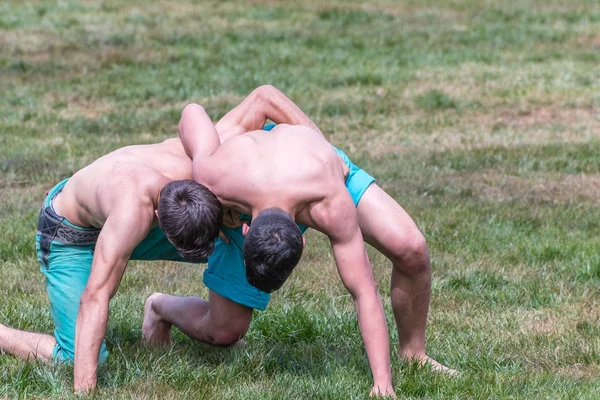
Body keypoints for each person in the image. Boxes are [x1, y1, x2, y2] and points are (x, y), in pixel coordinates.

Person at [142, 85, 455, 398]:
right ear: (246, 230)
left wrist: (382, 384)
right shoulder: (215, 175)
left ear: (303, 242)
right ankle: (159, 306)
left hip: (319, 171)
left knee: (410, 248)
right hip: (254, 180)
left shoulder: (332, 203)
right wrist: (213, 208)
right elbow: (192, 113)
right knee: (224, 331)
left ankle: (414, 354)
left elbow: (363, 290)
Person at [0, 139, 223, 392]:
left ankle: (194, 314)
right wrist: (85, 392)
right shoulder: (133, 212)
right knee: (74, 357)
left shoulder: (203, 160)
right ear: (159, 218)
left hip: (109, 202)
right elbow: (95, 296)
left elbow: (260, 99)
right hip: (69, 234)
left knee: (218, 243)